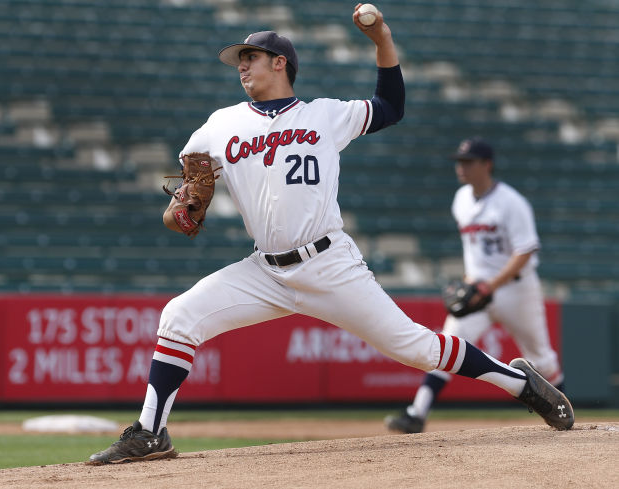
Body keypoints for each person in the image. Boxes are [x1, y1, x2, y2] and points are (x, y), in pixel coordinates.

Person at [88, 6, 573, 465]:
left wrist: (381, 38)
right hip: (265, 270)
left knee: (418, 348)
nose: (241, 66)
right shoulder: (219, 125)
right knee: (179, 317)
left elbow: (391, 106)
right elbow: (186, 195)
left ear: (280, 63)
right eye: (239, 60)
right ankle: (151, 431)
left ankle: (520, 383)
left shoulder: (326, 115)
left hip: (329, 263)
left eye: (250, 57)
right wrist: (179, 209)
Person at [385, 137, 566, 434]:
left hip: (516, 290)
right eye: (459, 161)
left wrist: (490, 284)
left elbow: (525, 251)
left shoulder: (511, 202)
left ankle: (562, 410)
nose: (461, 167)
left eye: (468, 162)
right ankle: (416, 413)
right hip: (478, 292)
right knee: (448, 343)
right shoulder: (461, 200)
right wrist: (472, 282)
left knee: (541, 357)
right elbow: (475, 253)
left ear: (487, 165)